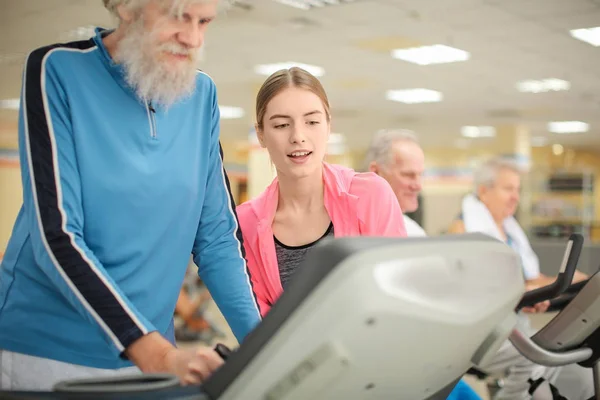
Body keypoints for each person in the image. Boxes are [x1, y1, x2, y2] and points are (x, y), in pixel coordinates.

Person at [0, 0, 261, 390]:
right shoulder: (57, 70)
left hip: (154, 360)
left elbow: (217, 239)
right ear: (125, 6)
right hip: (45, 352)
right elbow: (58, 235)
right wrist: (157, 354)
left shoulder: (201, 95)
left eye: (203, 21)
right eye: (177, 17)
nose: (191, 38)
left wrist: (265, 347)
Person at [235, 67, 407, 317]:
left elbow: (398, 291)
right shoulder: (245, 223)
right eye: (282, 125)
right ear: (261, 134)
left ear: (328, 126)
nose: (298, 136)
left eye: (312, 122)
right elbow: (259, 323)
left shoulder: (371, 195)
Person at [447, 157, 593, 400]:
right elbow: (478, 289)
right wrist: (535, 289)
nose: (516, 196)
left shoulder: (511, 230)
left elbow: (530, 279)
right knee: (535, 359)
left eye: (518, 189)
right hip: (483, 334)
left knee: (575, 361)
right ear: (484, 191)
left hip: (517, 327)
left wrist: (563, 282)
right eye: (508, 189)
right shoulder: (462, 230)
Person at [365, 129, 482, 400]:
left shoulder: (412, 229)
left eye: (420, 175)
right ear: (376, 172)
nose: (418, 184)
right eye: (408, 175)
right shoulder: (356, 230)